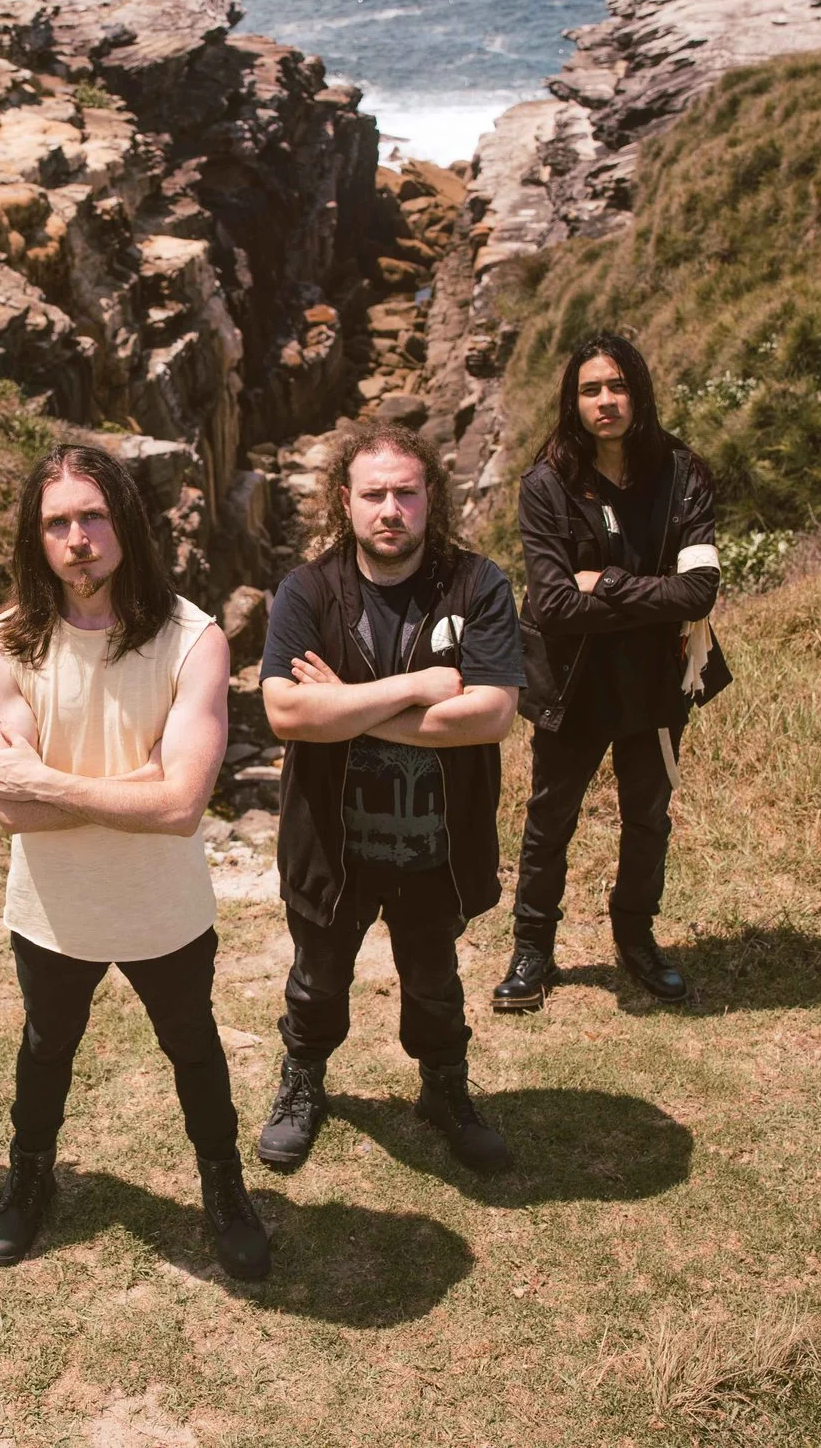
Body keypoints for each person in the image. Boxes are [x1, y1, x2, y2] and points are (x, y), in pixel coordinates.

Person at [0, 445, 267, 1280]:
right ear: (38, 538)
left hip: (163, 906)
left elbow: (179, 809)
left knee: (194, 1048)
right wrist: (132, 780)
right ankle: (28, 1181)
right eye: (57, 522)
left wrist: (51, 780)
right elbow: (8, 806)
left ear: (126, 522)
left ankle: (224, 1186)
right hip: (52, 907)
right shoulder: (4, 643)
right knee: (45, 1047)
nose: (78, 538)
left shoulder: (191, 638)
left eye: (92, 515)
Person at [252, 426, 525, 1176]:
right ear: (346, 500)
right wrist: (414, 688)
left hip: (435, 843)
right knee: (316, 981)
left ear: (430, 495)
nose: (391, 508)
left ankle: (444, 1090)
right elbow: (286, 713)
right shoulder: (308, 590)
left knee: (435, 982)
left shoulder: (478, 585)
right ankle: (303, 1084)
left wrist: (349, 706)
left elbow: (494, 714)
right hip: (331, 845)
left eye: (406, 491)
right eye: (374, 493)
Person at [496, 334, 721, 1013]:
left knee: (647, 816)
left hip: (657, 681)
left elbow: (701, 592)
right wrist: (651, 592)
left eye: (617, 386)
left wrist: (610, 583)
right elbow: (557, 605)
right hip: (573, 682)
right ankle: (532, 949)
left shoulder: (685, 473)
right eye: (591, 389)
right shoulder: (546, 485)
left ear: (640, 392)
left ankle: (636, 937)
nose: (606, 401)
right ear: (573, 400)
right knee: (549, 819)